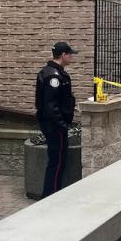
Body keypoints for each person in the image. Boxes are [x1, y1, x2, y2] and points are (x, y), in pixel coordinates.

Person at [35, 41, 77, 198]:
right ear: (63, 55)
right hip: (55, 126)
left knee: (57, 161)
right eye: (70, 54)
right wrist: (62, 125)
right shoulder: (54, 75)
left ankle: (52, 193)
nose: (72, 57)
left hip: (54, 125)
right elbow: (50, 105)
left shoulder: (51, 72)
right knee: (57, 162)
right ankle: (50, 195)